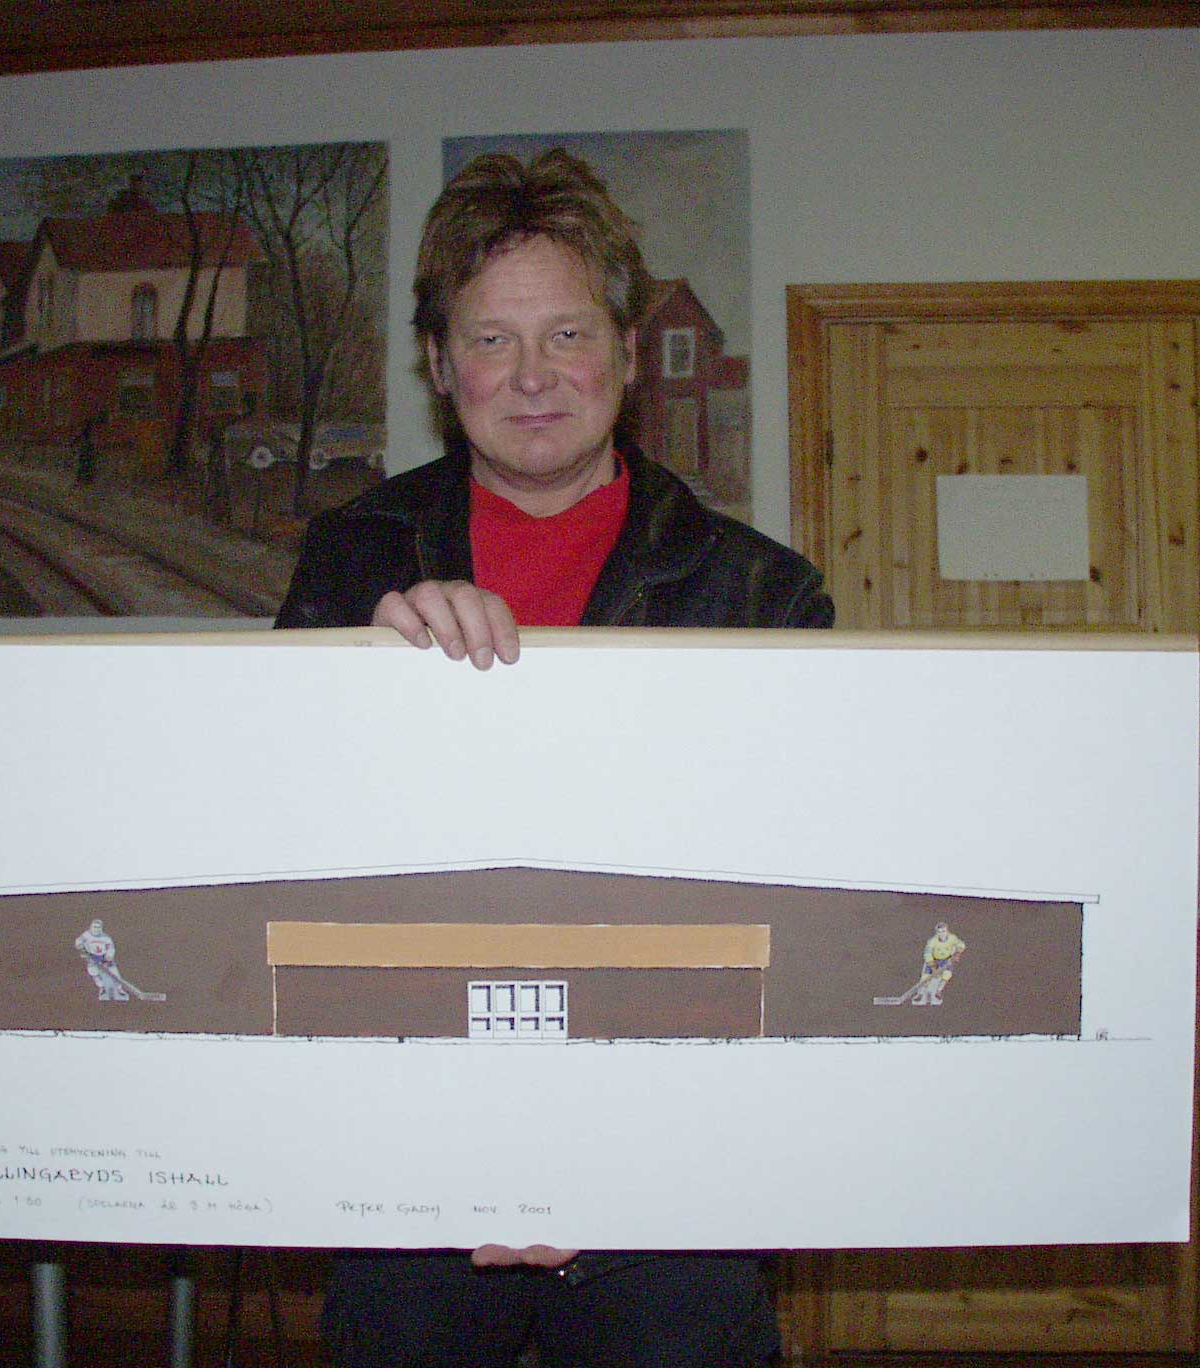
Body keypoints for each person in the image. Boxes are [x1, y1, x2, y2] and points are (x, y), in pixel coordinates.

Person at [276, 148, 833, 1368]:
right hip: (405, 1162)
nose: (531, 376)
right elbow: (277, 852)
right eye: (490, 339)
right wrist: (352, 689)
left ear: (627, 353)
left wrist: (625, 1160)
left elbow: (798, 912)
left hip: (672, 1179)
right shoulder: (349, 563)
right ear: (440, 366)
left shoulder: (763, 594)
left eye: (567, 334)